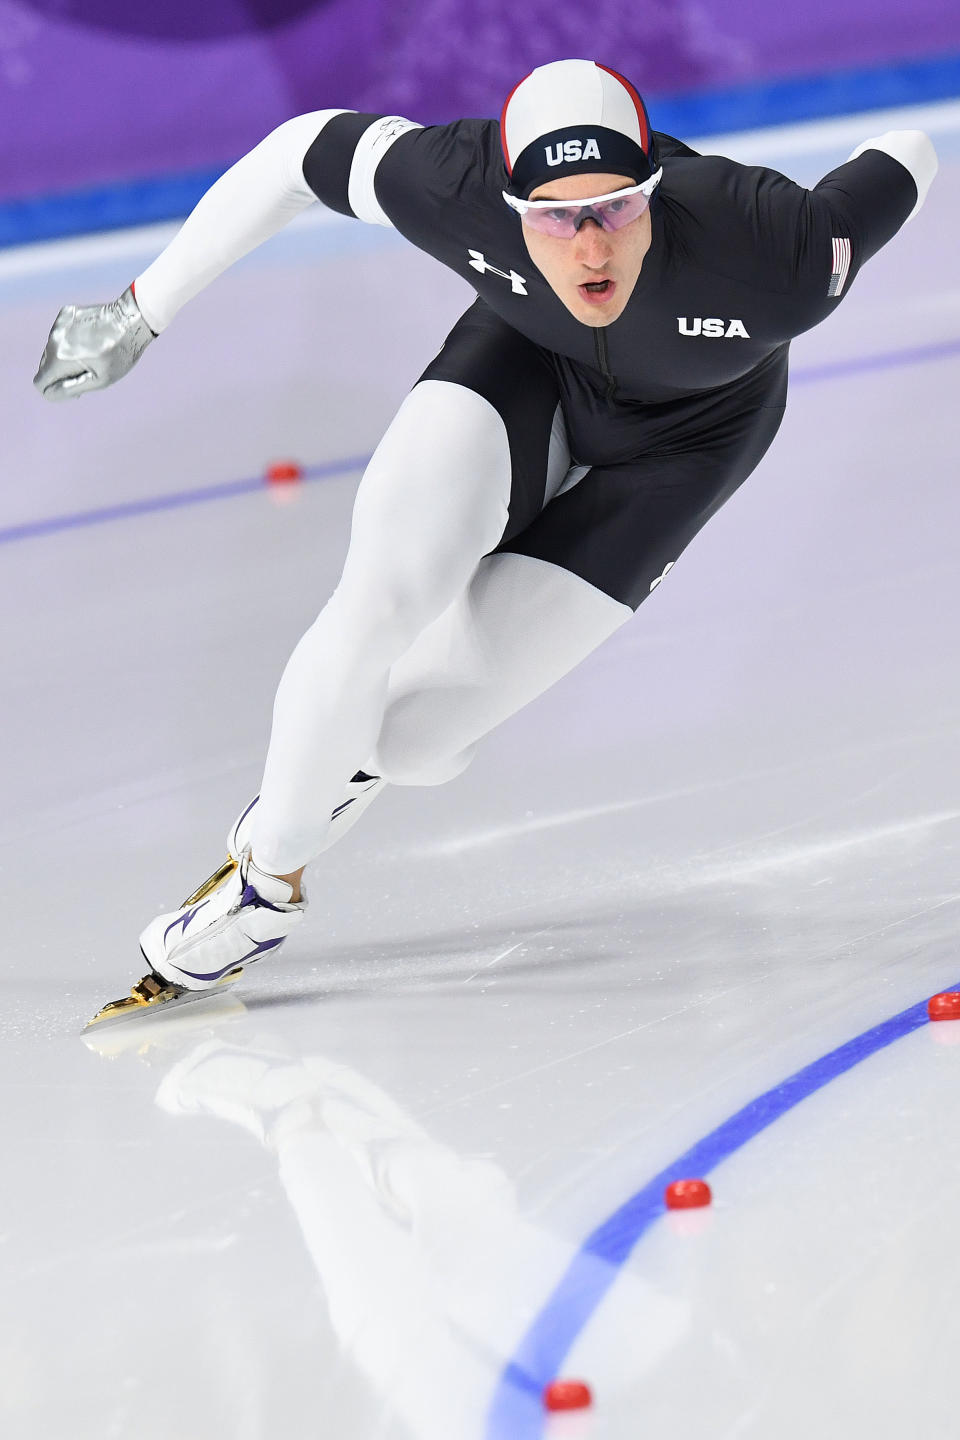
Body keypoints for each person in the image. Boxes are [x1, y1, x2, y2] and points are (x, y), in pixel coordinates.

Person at [34, 59, 937, 1005]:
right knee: (381, 596)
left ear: (655, 193)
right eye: (552, 218)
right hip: (527, 363)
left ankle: (290, 817)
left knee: (419, 744)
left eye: (616, 209)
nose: (589, 249)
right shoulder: (450, 179)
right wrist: (141, 310)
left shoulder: (776, 245)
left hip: (689, 442)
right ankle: (265, 892)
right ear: (506, 204)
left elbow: (907, 153)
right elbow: (298, 154)